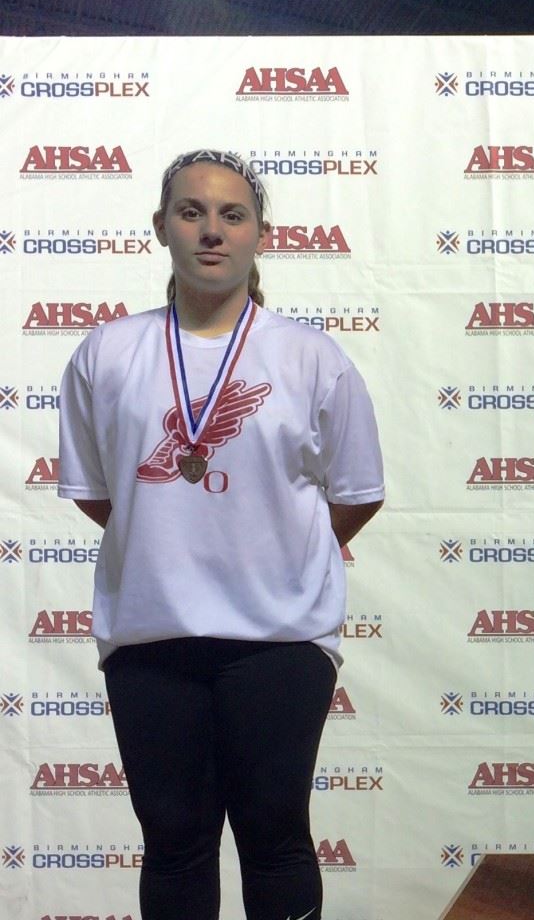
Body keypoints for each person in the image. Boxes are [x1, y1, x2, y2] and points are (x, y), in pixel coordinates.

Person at [58, 148, 385, 920]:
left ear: (260, 235)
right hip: (151, 635)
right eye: (192, 212)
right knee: (173, 841)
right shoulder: (106, 354)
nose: (212, 231)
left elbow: (356, 495)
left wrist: (274, 545)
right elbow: (103, 498)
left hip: (278, 639)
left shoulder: (312, 357)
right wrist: (174, 537)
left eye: (232, 215)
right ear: (161, 228)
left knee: (274, 836)